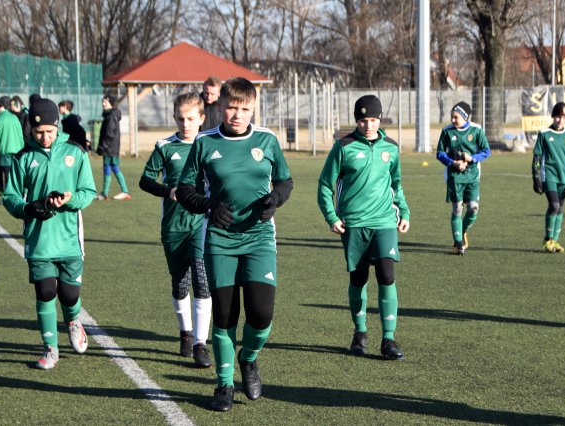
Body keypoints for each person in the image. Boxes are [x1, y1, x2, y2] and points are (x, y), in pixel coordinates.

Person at [176, 77, 293, 412]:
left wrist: (276, 199)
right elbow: (185, 189)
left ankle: (249, 358)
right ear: (221, 107)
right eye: (231, 107)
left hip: (259, 238)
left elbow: (285, 180)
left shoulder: (267, 140)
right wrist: (208, 206)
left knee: (261, 314)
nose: (237, 114)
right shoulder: (204, 142)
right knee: (225, 316)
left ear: (253, 107)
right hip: (220, 241)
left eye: (244, 108)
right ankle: (224, 384)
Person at [2, 98, 96, 370]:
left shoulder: (75, 152)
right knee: (45, 292)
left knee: (68, 295)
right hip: (40, 240)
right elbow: (10, 197)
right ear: (30, 129)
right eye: (38, 132)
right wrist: (28, 208)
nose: (44, 137)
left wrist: (68, 199)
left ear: (58, 128)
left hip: (69, 240)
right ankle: (50, 349)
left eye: (49, 132)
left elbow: (87, 192)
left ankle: (74, 322)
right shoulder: (23, 158)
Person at [318, 95, 410, 363]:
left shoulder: (391, 148)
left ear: (380, 119)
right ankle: (360, 333)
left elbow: (397, 184)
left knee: (386, 275)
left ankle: (389, 338)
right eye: (362, 120)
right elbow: (325, 184)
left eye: (372, 120)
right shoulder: (343, 147)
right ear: (356, 120)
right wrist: (331, 216)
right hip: (353, 224)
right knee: (358, 279)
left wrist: (404, 211)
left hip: (384, 221)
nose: (368, 125)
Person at [139, 92, 212, 368]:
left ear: (201, 118)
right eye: (180, 118)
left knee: (202, 281)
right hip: (174, 226)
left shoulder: (209, 145)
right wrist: (166, 190)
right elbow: (145, 180)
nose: (185, 123)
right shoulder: (165, 146)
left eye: (191, 118)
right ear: (174, 117)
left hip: (202, 224)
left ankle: (201, 343)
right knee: (180, 283)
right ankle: (185, 332)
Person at [436, 101, 491, 255]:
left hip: (473, 175)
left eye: (456, 117)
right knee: (457, 208)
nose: (453, 120)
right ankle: (458, 243)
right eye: (451, 117)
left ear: (466, 117)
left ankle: (463, 229)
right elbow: (440, 153)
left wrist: (471, 158)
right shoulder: (447, 131)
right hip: (454, 176)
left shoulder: (477, 130)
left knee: (473, 208)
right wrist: (453, 163)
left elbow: (486, 151)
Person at [532, 102, 565, 253]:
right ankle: (547, 240)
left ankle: (555, 241)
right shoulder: (544, 134)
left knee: (560, 209)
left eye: (564, 117)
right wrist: (536, 178)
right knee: (554, 206)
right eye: (558, 116)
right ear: (553, 116)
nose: (560, 120)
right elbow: (537, 157)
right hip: (549, 176)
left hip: (563, 178)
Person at [96, 93, 130, 200]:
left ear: (110, 103)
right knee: (108, 167)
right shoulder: (108, 114)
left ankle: (124, 191)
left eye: (105, 102)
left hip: (110, 147)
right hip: (109, 147)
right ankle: (105, 193)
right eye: (103, 101)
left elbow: (109, 133)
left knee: (113, 167)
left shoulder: (111, 115)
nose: (103, 103)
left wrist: (103, 147)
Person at [0, 96, 23, 194]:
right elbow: (20, 135)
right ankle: (17, 191)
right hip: (17, 149)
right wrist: (21, 148)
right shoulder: (15, 117)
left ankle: (9, 194)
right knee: (15, 173)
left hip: (5, 151)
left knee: (7, 174)